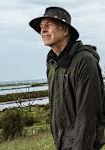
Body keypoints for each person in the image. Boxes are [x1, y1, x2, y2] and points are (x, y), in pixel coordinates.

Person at [29, 6, 105, 150]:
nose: (43, 31)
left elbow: (88, 116)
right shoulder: (52, 64)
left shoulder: (85, 61)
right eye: (41, 27)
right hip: (62, 145)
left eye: (48, 25)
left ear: (65, 30)